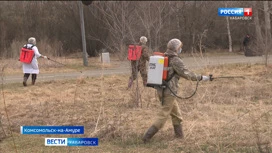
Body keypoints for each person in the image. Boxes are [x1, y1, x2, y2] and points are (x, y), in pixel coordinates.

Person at [142, 38, 212, 143]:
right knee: (163, 115)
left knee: (176, 115)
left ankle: (179, 137)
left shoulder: (164, 56)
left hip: (162, 90)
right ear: (176, 49)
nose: (181, 49)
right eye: (180, 47)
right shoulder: (175, 60)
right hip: (169, 92)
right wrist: (202, 78)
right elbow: (187, 74)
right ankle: (146, 137)